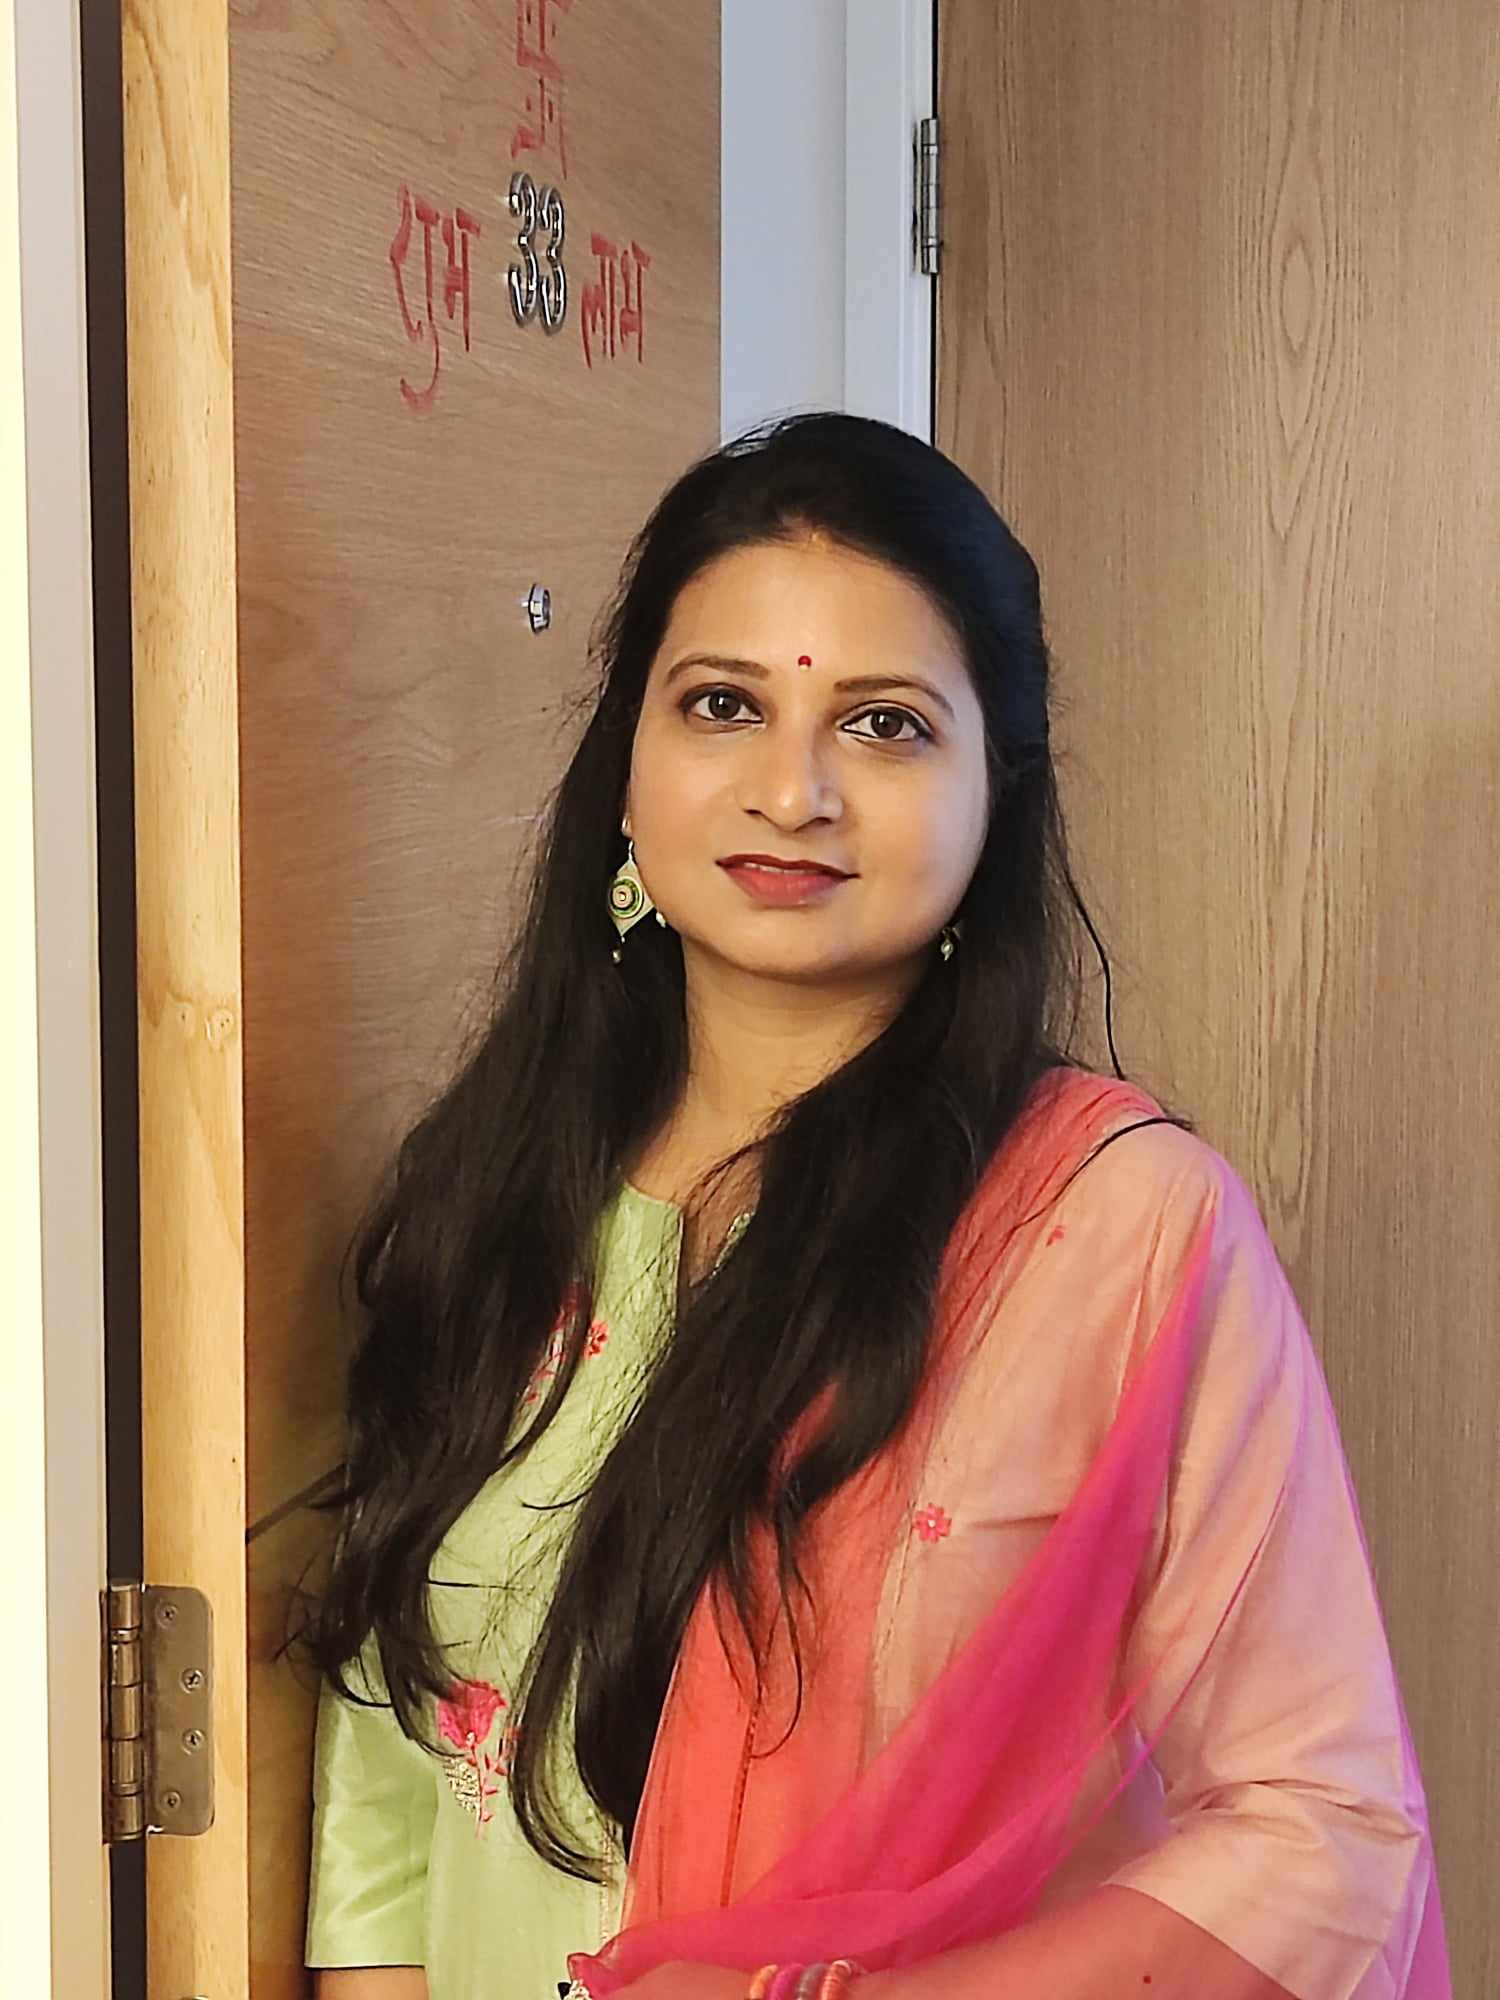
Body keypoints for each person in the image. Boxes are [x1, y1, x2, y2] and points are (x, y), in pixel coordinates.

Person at [298, 413, 1448, 2000]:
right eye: (723, 706)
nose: (793, 790)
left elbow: (1327, 1830)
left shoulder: (1118, 1235)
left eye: (887, 727)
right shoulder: (493, 1198)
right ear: (624, 768)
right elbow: (392, 1751)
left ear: (994, 795)